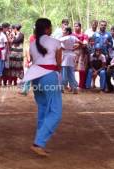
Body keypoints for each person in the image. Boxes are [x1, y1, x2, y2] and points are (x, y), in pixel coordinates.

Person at [23, 18, 62, 157]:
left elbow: (35, 61)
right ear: (47, 29)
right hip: (49, 76)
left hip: (35, 76)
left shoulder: (33, 44)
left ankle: (40, 143)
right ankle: (38, 143)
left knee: (43, 109)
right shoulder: (56, 42)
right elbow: (58, 64)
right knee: (56, 111)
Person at [60, 27, 80, 94]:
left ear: (68, 32)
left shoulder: (65, 38)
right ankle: (74, 88)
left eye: (64, 30)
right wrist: (73, 48)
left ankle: (61, 88)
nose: (63, 31)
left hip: (65, 55)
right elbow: (81, 43)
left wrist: (62, 48)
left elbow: (56, 42)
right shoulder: (73, 37)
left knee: (63, 73)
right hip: (71, 55)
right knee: (71, 73)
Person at [73, 22, 88, 89]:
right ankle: (72, 85)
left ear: (80, 27)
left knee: (81, 69)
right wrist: (80, 44)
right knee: (72, 69)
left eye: (77, 26)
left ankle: (81, 85)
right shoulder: (71, 34)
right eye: (75, 26)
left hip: (82, 53)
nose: (76, 27)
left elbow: (85, 45)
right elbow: (70, 44)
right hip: (73, 53)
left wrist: (78, 44)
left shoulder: (84, 35)